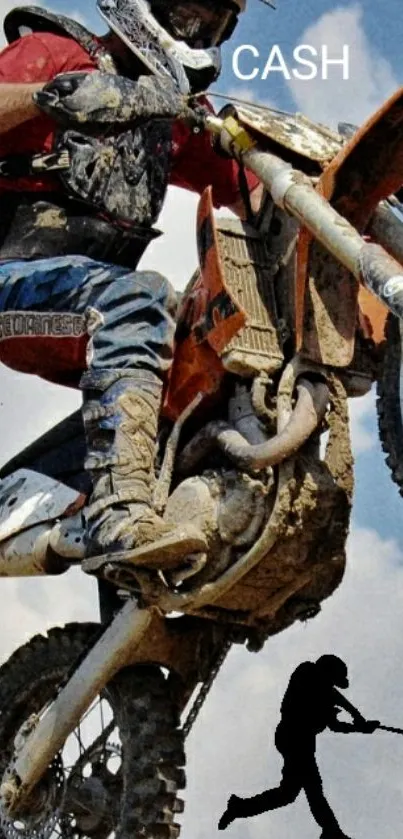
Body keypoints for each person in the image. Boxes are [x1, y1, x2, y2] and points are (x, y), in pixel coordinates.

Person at [0, 0, 264, 583]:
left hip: (87, 303)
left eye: (210, 20)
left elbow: (253, 186)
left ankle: (145, 571)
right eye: (186, 10)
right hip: (13, 278)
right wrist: (53, 97)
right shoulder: (57, 53)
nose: (195, 30)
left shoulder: (173, 115)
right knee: (136, 298)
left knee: (203, 345)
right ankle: (119, 514)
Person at [218, 655, 379, 839]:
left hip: (302, 741)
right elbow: (330, 697)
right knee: (313, 787)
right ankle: (331, 831)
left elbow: (336, 725)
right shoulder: (308, 672)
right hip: (293, 735)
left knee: (288, 794)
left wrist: (359, 726)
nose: (333, 684)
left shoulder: (325, 694)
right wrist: (357, 718)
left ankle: (240, 807)